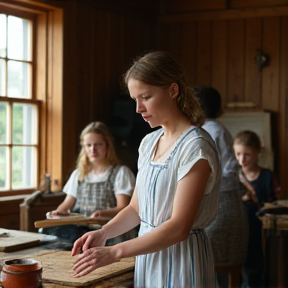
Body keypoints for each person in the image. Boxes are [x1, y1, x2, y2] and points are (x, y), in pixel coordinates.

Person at [71, 51, 221, 288]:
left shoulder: (196, 147)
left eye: (146, 97)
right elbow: (135, 209)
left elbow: (179, 227)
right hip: (147, 256)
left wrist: (115, 252)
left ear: (173, 90)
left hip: (183, 260)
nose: (138, 108)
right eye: (134, 99)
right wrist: (104, 233)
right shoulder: (149, 142)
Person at [42, 121, 137, 246]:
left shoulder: (121, 173)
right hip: (84, 232)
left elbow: (123, 207)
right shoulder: (79, 174)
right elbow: (66, 204)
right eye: (88, 145)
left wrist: (101, 214)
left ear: (108, 146)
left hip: (111, 232)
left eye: (98, 144)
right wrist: (58, 213)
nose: (93, 149)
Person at [194, 86, 249, 288]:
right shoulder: (215, 129)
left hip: (220, 205)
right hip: (226, 203)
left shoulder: (209, 131)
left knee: (215, 268)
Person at [233, 130, 277, 288]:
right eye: (238, 154)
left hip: (260, 231)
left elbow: (274, 206)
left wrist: (257, 201)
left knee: (256, 268)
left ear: (258, 151)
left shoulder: (267, 176)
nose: (241, 160)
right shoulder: (234, 177)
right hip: (238, 230)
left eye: (247, 155)